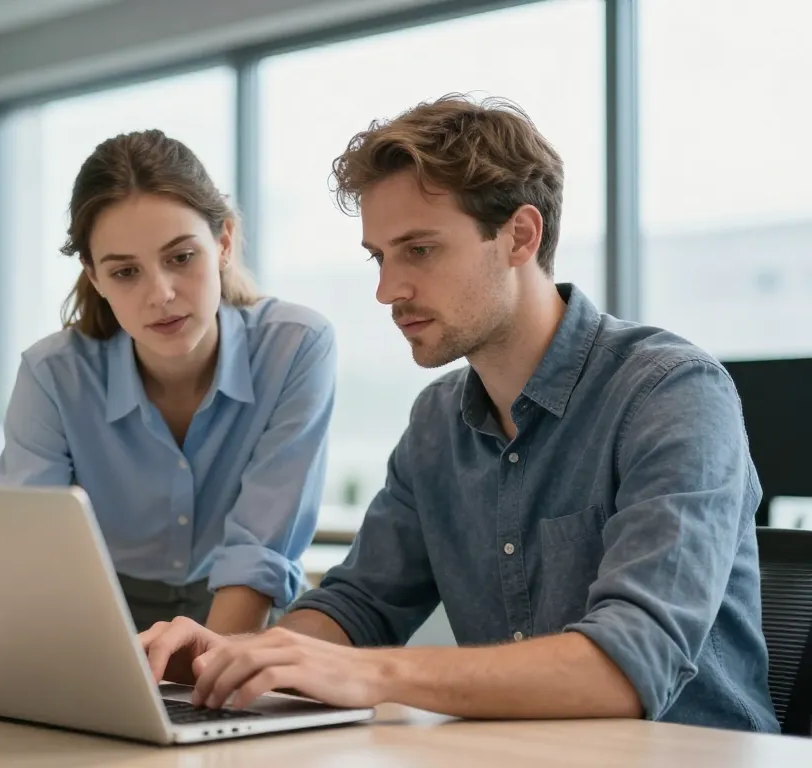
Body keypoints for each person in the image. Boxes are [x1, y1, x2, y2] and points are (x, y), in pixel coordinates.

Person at [137, 94, 779, 733]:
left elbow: (629, 666)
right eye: (379, 256)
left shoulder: (672, 394)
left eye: (419, 249)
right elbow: (361, 605)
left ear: (520, 236)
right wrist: (245, 657)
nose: (387, 290)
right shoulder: (436, 423)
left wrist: (373, 674)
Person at [0, 130, 335, 636]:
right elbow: (33, 552)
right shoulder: (53, 375)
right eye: (126, 272)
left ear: (223, 242)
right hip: (99, 615)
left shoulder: (295, 346)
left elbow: (261, 547)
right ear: (95, 277)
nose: (161, 294)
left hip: (247, 611)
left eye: (181, 257)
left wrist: (213, 669)